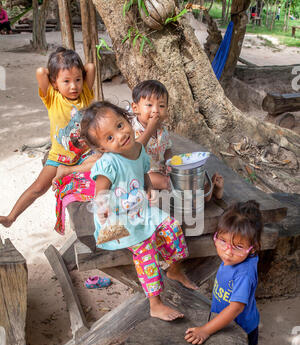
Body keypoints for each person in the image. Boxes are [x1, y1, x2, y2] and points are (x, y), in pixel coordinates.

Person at [80, 101, 198, 322]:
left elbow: (144, 171)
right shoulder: (109, 164)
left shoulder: (139, 150)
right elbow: (101, 192)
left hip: (141, 210)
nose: (120, 135)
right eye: (109, 138)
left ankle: (174, 268)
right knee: (146, 250)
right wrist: (103, 207)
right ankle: (155, 303)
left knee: (172, 227)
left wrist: (149, 187)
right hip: (117, 222)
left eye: (120, 125)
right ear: (103, 148)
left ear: (127, 119)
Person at [0, 47, 100, 228]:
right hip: (59, 157)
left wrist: (70, 73)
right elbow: (41, 72)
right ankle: (11, 218)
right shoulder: (52, 98)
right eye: (66, 81)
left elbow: (91, 67)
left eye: (78, 79)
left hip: (85, 154)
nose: (73, 86)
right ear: (54, 83)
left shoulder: (85, 92)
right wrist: (54, 71)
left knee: (104, 169)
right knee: (39, 188)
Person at [185, 200, 263, 345]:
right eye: (223, 241)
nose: (228, 251)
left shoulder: (244, 273)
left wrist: (205, 330)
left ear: (252, 248)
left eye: (237, 246)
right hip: (224, 320)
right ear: (216, 236)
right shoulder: (234, 258)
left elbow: (236, 308)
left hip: (242, 327)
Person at [131, 79, 224, 200]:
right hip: (141, 173)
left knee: (184, 176)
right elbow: (135, 151)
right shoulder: (131, 129)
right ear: (135, 108)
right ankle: (204, 195)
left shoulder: (162, 129)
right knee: (169, 183)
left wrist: (172, 164)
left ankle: (207, 188)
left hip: (161, 169)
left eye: (161, 106)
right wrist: (149, 129)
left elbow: (167, 148)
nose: (155, 110)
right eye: (149, 105)